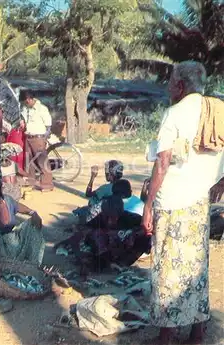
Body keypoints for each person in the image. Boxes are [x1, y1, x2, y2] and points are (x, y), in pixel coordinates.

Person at [142, 61, 224, 345]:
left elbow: (162, 163)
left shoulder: (173, 113)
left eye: (170, 82)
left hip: (173, 202)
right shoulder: (217, 109)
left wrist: (148, 205)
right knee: (196, 267)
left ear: (179, 85)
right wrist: (221, 181)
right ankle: (197, 332)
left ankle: (167, 336)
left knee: (168, 269)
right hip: (199, 203)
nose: (168, 87)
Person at [56, 196, 151, 274]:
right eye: (108, 217)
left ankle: (121, 264)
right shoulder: (98, 219)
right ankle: (103, 264)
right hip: (104, 254)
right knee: (96, 235)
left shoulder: (132, 218)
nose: (110, 221)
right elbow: (78, 236)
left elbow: (149, 231)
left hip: (123, 253)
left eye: (114, 217)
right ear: (104, 213)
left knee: (143, 236)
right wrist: (80, 256)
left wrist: (135, 234)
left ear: (121, 213)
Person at [19, 90, 53, 191]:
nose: (25, 103)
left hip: (38, 137)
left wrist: (44, 138)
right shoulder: (25, 109)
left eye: (26, 101)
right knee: (29, 161)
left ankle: (47, 184)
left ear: (30, 99)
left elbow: (48, 124)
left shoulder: (42, 109)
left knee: (42, 161)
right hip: (28, 137)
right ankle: (31, 181)